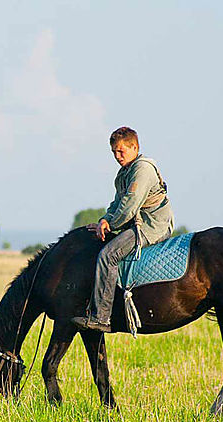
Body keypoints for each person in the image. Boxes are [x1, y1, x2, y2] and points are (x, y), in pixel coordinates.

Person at [71, 127, 174, 332]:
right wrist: (103, 220)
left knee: (108, 255)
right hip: (137, 222)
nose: (117, 157)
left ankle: (101, 317)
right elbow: (117, 202)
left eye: (121, 151)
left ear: (134, 147)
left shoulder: (142, 170)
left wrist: (112, 224)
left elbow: (129, 205)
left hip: (151, 225)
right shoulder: (124, 173)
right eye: (114, 153)